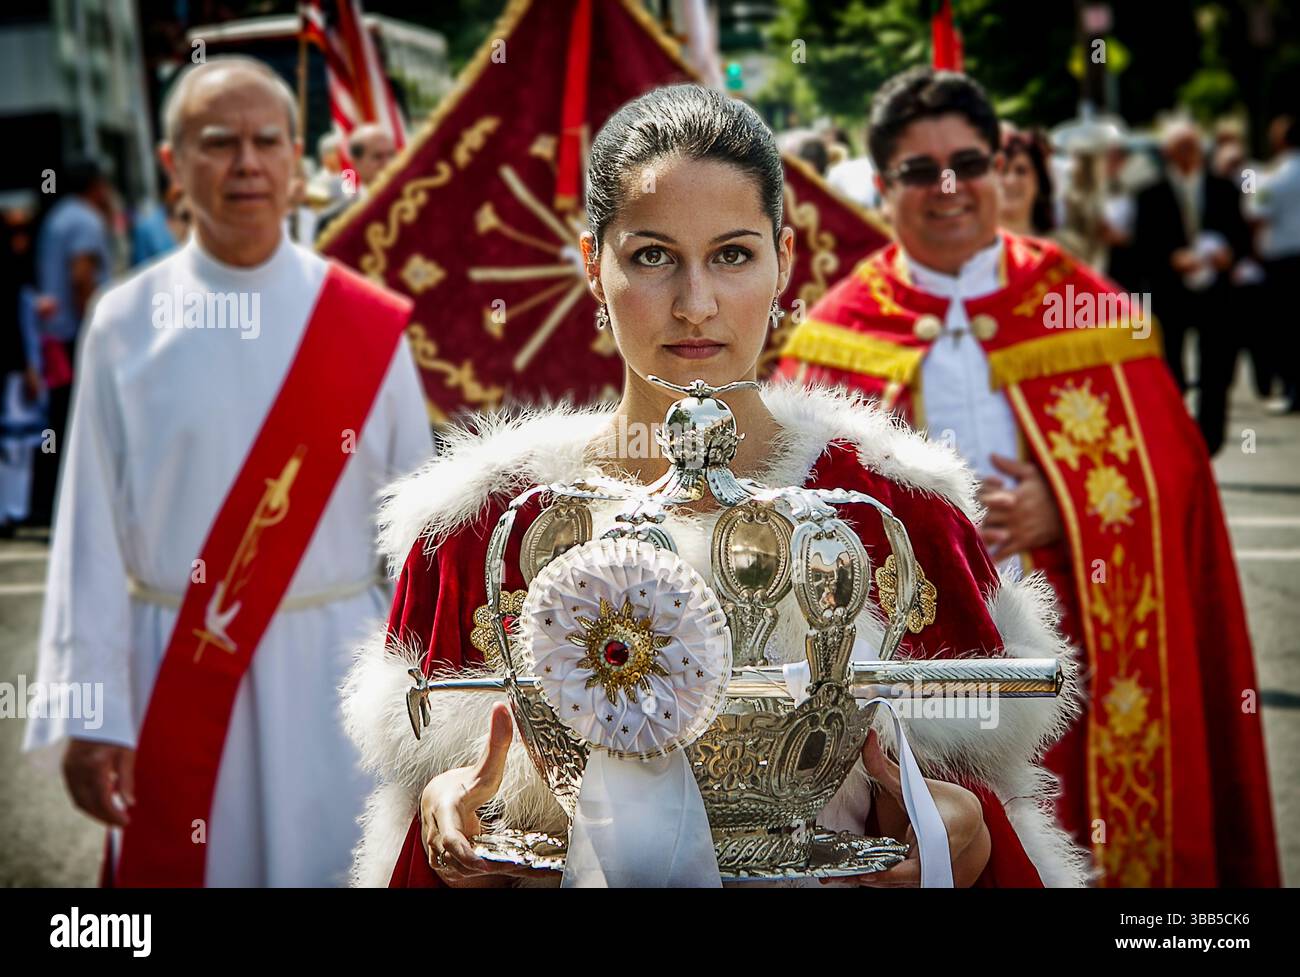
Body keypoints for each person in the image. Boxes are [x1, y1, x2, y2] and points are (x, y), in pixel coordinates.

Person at [343, 83, 1091, 889]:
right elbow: (418, 826)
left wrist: (961, 834)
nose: (695, 305)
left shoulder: (900, 517)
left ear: (784, 258)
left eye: (732, 255)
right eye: (652, 256)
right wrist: (448, 820)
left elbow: (989, 811)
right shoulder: (478, 531)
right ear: (594, 264)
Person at [775, 67, 1279, 887]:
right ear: (881, 184)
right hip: (912, 676)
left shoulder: (1083, 306)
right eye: (917, 169)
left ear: (1000, 166)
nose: (948, 187)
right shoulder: (832, 339)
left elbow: (1179, 477)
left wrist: (1072, 505)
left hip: (1075, 649)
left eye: (968, 162)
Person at [23, 55, 433, 887]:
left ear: (295, 160)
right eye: (218, 142)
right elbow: (90, 537)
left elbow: (420, 532)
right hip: (175, 669)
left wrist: (428, 706)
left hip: (335, 679)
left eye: (265, 141)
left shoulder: (365, 326)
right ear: (174, 165)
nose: (246, 162)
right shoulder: (124, 325)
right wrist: (91, 711)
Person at [1133, 120, 1251, 454]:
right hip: (1170, 293)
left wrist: (1229, 254)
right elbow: (1142, 246)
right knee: (1171, 370)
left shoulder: (1223, 188)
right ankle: (1173, 433)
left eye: (1193, 147)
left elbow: (1242, 236)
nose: (1188, 155)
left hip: (1216, 292)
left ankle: (1209, 441)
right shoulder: (1150, 193)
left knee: (1216, 369)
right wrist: (1172, 258)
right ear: (1168, 153)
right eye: (1180, 148)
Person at [30, 156, 113, 525]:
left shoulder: (57, 216)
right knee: (73, 421)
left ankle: (43, 501)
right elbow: (82, 278)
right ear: (96, 186)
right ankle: (61, 504)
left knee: (54, 421)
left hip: (50, 336)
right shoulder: (86, 220)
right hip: (73, 335)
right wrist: (96, 330)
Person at [1245, 114, 1300, 411]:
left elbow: (1257, 217)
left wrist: (1252, 256)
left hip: (1283, 260)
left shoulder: (1273, 177)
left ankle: (1292, 389)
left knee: (1286, 327)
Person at [314, 124, 397, 245]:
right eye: (378, 157)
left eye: (392, 155)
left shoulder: (415, 208)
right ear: (355, 163)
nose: (388, 164)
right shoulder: (334, 220)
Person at [998, 126, 1054, 238]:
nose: (1010, 181)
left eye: (1021, 171)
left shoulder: (1058, 250)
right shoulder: (967, 249)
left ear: (1039, 182)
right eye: (1003, 171)